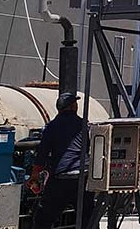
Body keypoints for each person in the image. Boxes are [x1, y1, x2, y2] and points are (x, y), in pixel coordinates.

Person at [29, 93, 94, 229]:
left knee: (43, 220)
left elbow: (42, 155)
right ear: (73, 106)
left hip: (61, 178)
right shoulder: (84, 124)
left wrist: (34, 176)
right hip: (83, 177)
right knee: (88, 220)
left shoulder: (51, 127)